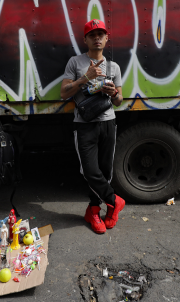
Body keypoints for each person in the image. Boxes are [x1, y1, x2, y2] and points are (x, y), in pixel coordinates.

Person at [61, 19, 125, 234]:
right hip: (84, 124)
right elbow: (64, 93)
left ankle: (95, 211)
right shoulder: (75, 62)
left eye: (101, 34)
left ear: (107, 38)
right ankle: (115, 201)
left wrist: (113, 92)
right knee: (89, 171)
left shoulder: (113, 67)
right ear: (85, 39)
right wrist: (84, 78)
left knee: (105, 171)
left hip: (108, 122)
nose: (97, 38)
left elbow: (119, 101)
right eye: (92, 35)